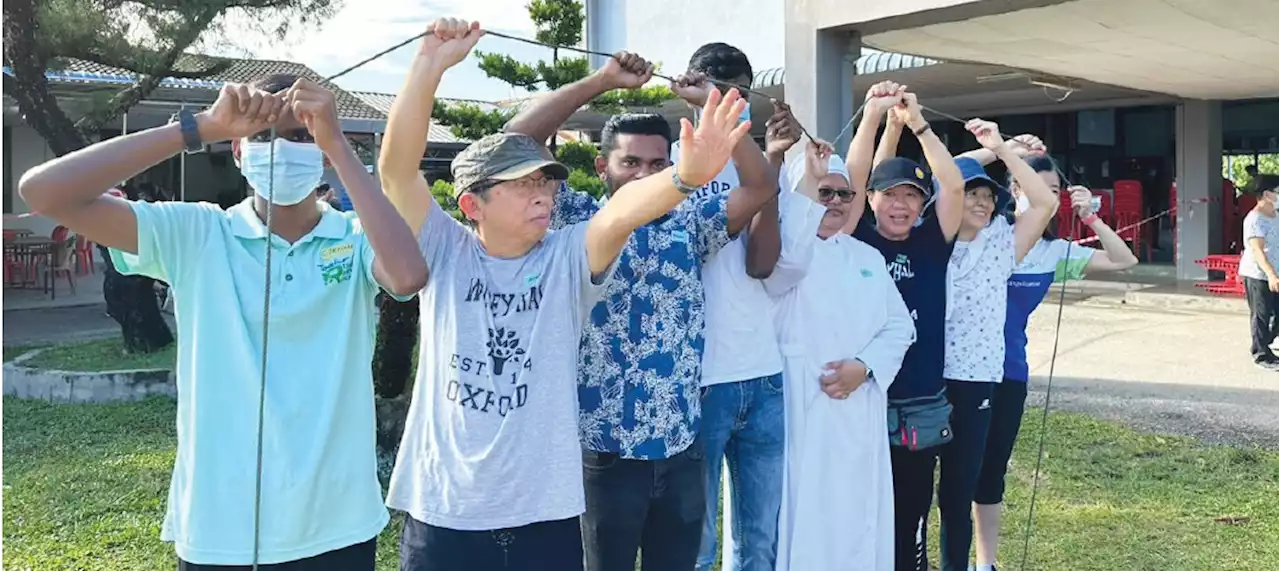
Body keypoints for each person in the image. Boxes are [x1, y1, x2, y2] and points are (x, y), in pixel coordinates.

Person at [377, 19, 755, 571]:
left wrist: (684, 178)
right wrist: (427, 66)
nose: (543, 194)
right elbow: (394, 169)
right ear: (472, 204)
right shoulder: (446, 250)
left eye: (546, 182)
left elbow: (619, 214)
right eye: (524, 184)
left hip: (545, 520)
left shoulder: (566, 256)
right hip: (445, 513)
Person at [18, 75, 429, 569]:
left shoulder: (358, 236)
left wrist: (338, 144)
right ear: (237, 151)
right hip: (220, 529)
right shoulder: (195, 232)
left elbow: (406, 276)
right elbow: (42, 192)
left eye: (300, 136)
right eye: (262, 137)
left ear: (319, 152)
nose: (280, 149)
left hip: (337, 525)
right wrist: (201, 127)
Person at [503, 47, 781, 571]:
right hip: (603, 453)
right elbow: (513, 145)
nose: (643, 174)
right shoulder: (572, 220)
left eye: (658, 164)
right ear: (600, 166)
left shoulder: (692, 223)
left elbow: (760, 186)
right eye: (630, 162)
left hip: (680, 448)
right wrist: (601, 81)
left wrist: (712, 102)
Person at [967, 153, 1139, 571]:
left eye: (1054, 191)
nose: (1047, 196)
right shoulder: (984, 234)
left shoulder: (1052, 253)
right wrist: (999, 149)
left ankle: (985, 563)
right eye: (1035, 187)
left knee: (989, 475)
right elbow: (950, 179)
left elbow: (1123, 260)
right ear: (1014, 190)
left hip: (1009, 374)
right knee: (950, 472)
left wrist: (1091, 218)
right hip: (957, 369)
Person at [766, 89, 915, 570]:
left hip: (858, 409)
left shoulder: (866, 256)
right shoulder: (784, 254)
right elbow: (791, 257)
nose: (832, 201)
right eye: (821, 191)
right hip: (797, 409)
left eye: (842, 194)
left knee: (856, 518)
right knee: (798, 518)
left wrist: (864, 367)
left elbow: (899, 327)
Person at [926, 119, 1057, 571]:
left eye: (988, 197)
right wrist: (986, 153)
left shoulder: (1003, 242)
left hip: (977, 380)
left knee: (959, 492)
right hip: (925, 379)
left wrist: (1005, 150)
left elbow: (1043, 202)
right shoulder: (930, 236)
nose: (981, 203)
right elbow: (951, 169)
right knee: (917, 491)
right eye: (972, 195)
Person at [681, 42, 793, 571]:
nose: (728, 105)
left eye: (738, 96)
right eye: (715, 94)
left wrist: (768, 161)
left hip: (763, 373)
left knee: (759, 548)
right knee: (696, 547)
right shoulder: (674, 164)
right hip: (700, 378)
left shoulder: (766, 168)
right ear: (690, 93)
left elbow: (761, 264)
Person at [853, 85, 965, 571]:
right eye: (890, 195)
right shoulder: (856, 238)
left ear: (922, 205)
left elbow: (955, 187)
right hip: (860, 399)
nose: (900, 205)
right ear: (872, 200)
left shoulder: (931, 244)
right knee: (860, 514)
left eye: (911, 197)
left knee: (910, 517)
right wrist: (877, 121)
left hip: (917, 405)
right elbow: (856, 180)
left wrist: (915, 123)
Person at [1237, 174, 1280, 371]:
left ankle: (1268, 343)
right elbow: (1257, 251)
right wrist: (1271, 274)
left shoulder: (1276, 214)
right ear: (1267, 194)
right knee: (1261, 315)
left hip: (1276, 272)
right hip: (1258, 274)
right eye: (1278, 191)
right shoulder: (1254, 219)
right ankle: (1261, 354)